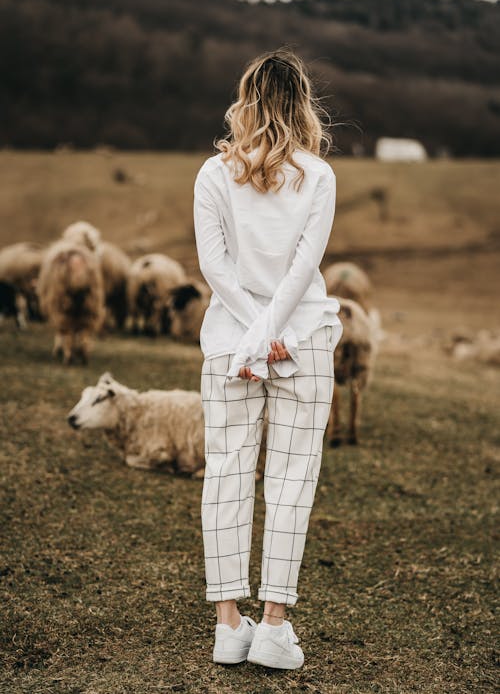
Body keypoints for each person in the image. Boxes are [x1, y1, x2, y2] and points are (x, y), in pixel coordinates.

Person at [193, 47, 343, 670]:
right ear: (302, 103)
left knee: (225, 475)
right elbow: (305, 267)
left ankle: (230, 626)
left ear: (247, 100)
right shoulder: (319, 176)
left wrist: (252, 332)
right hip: (301, 341)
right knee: (291, 481)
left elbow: (214, 267)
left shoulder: (211, 173)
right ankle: (275, 628)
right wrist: (272, 332)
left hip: (230, 345)